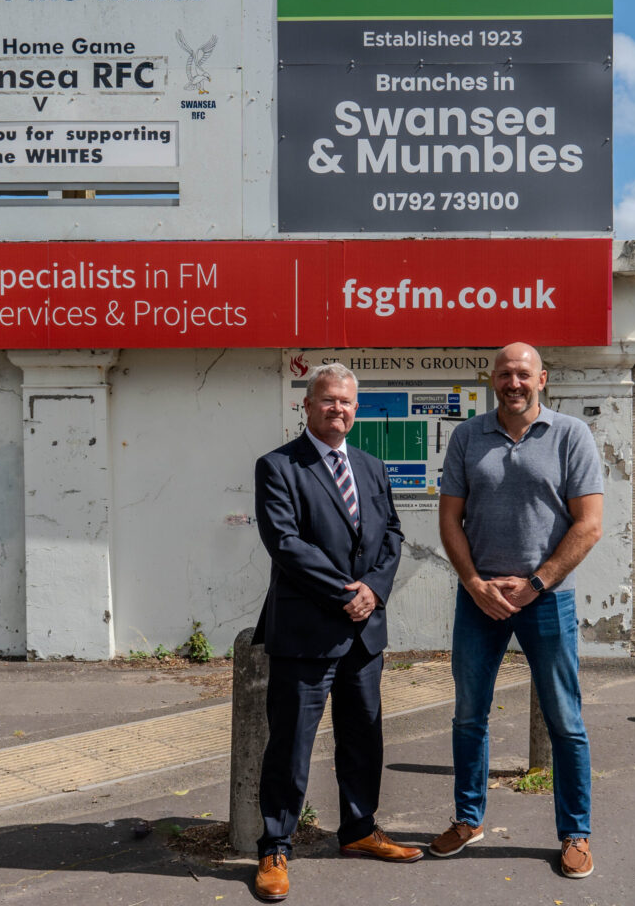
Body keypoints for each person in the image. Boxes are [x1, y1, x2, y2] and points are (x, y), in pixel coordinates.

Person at [429, 342, 603, 879]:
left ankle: (575, 833)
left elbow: (589, 524)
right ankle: (468, 818)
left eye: (523, 373)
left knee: (565, 722)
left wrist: (536, 583)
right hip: (479, 602)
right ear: (492, 379)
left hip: (546, 600)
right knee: (468, 716)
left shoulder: (571, 435)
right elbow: (449, 520)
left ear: (542, 378)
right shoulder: (467, 436)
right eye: (504, 373)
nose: (513, 382)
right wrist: (475, 582)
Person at [252, 362, 422, 902]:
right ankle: (275, 846)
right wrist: (347, 593)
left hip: (364, 633)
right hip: (306, 632)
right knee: (291, 745)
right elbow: (284, 542)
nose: (338, 409)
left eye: (347, 402)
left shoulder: (371, 467)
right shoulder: (278, 466)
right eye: (327, 400)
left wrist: (373, 590)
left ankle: (359, 830)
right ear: (306, 406)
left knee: (362, 736)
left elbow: (391, 534)